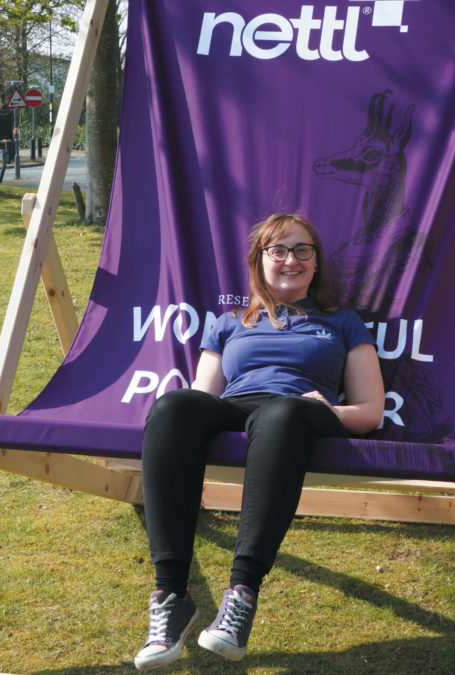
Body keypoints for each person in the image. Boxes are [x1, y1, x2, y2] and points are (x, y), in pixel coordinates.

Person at [132, 213, 385, 669]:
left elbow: (370, 412)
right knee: (172, 407)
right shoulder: (230, 322)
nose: (291, 259)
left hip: (299, 412)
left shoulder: (342, 323)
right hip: (237, 408)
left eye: (302, 250)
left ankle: (241, 595)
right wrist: (183, 417)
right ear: (260, 262)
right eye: (278, 251)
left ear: (316, 263)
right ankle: (171, 597)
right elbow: (202, 398)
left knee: (283, 411)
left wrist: (327, 411)